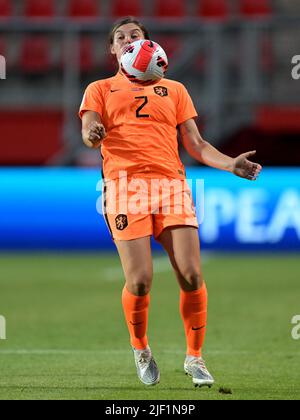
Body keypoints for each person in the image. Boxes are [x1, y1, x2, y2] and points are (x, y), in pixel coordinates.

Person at [79, 17, 262, 388]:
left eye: (135, 35)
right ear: (113, 50)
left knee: (192, 274)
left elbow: (196, 144)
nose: (128, 40)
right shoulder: (99, 89)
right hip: (124, 188)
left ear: (150, 45)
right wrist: (92, 132)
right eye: (120, 37)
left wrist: (230, 164)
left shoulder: (175, 90)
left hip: (171, 186)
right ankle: (141, 348)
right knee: (141, 280)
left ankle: (195, 358)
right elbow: (88, 131)